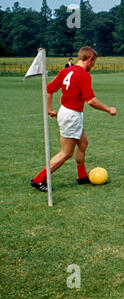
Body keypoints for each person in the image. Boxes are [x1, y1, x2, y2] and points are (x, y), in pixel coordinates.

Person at [30, 46, 116, 192]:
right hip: (71, 116)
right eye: (93, 62)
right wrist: (108, 109)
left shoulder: (65, 71)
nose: (93, 66)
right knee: (66, 153)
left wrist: (50, 108)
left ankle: (82, 177)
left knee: (83, 144)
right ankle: (38, 179)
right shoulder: (83, 75)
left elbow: (49, 89)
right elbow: (91, 100)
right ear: (89, 59)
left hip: (68, 113)